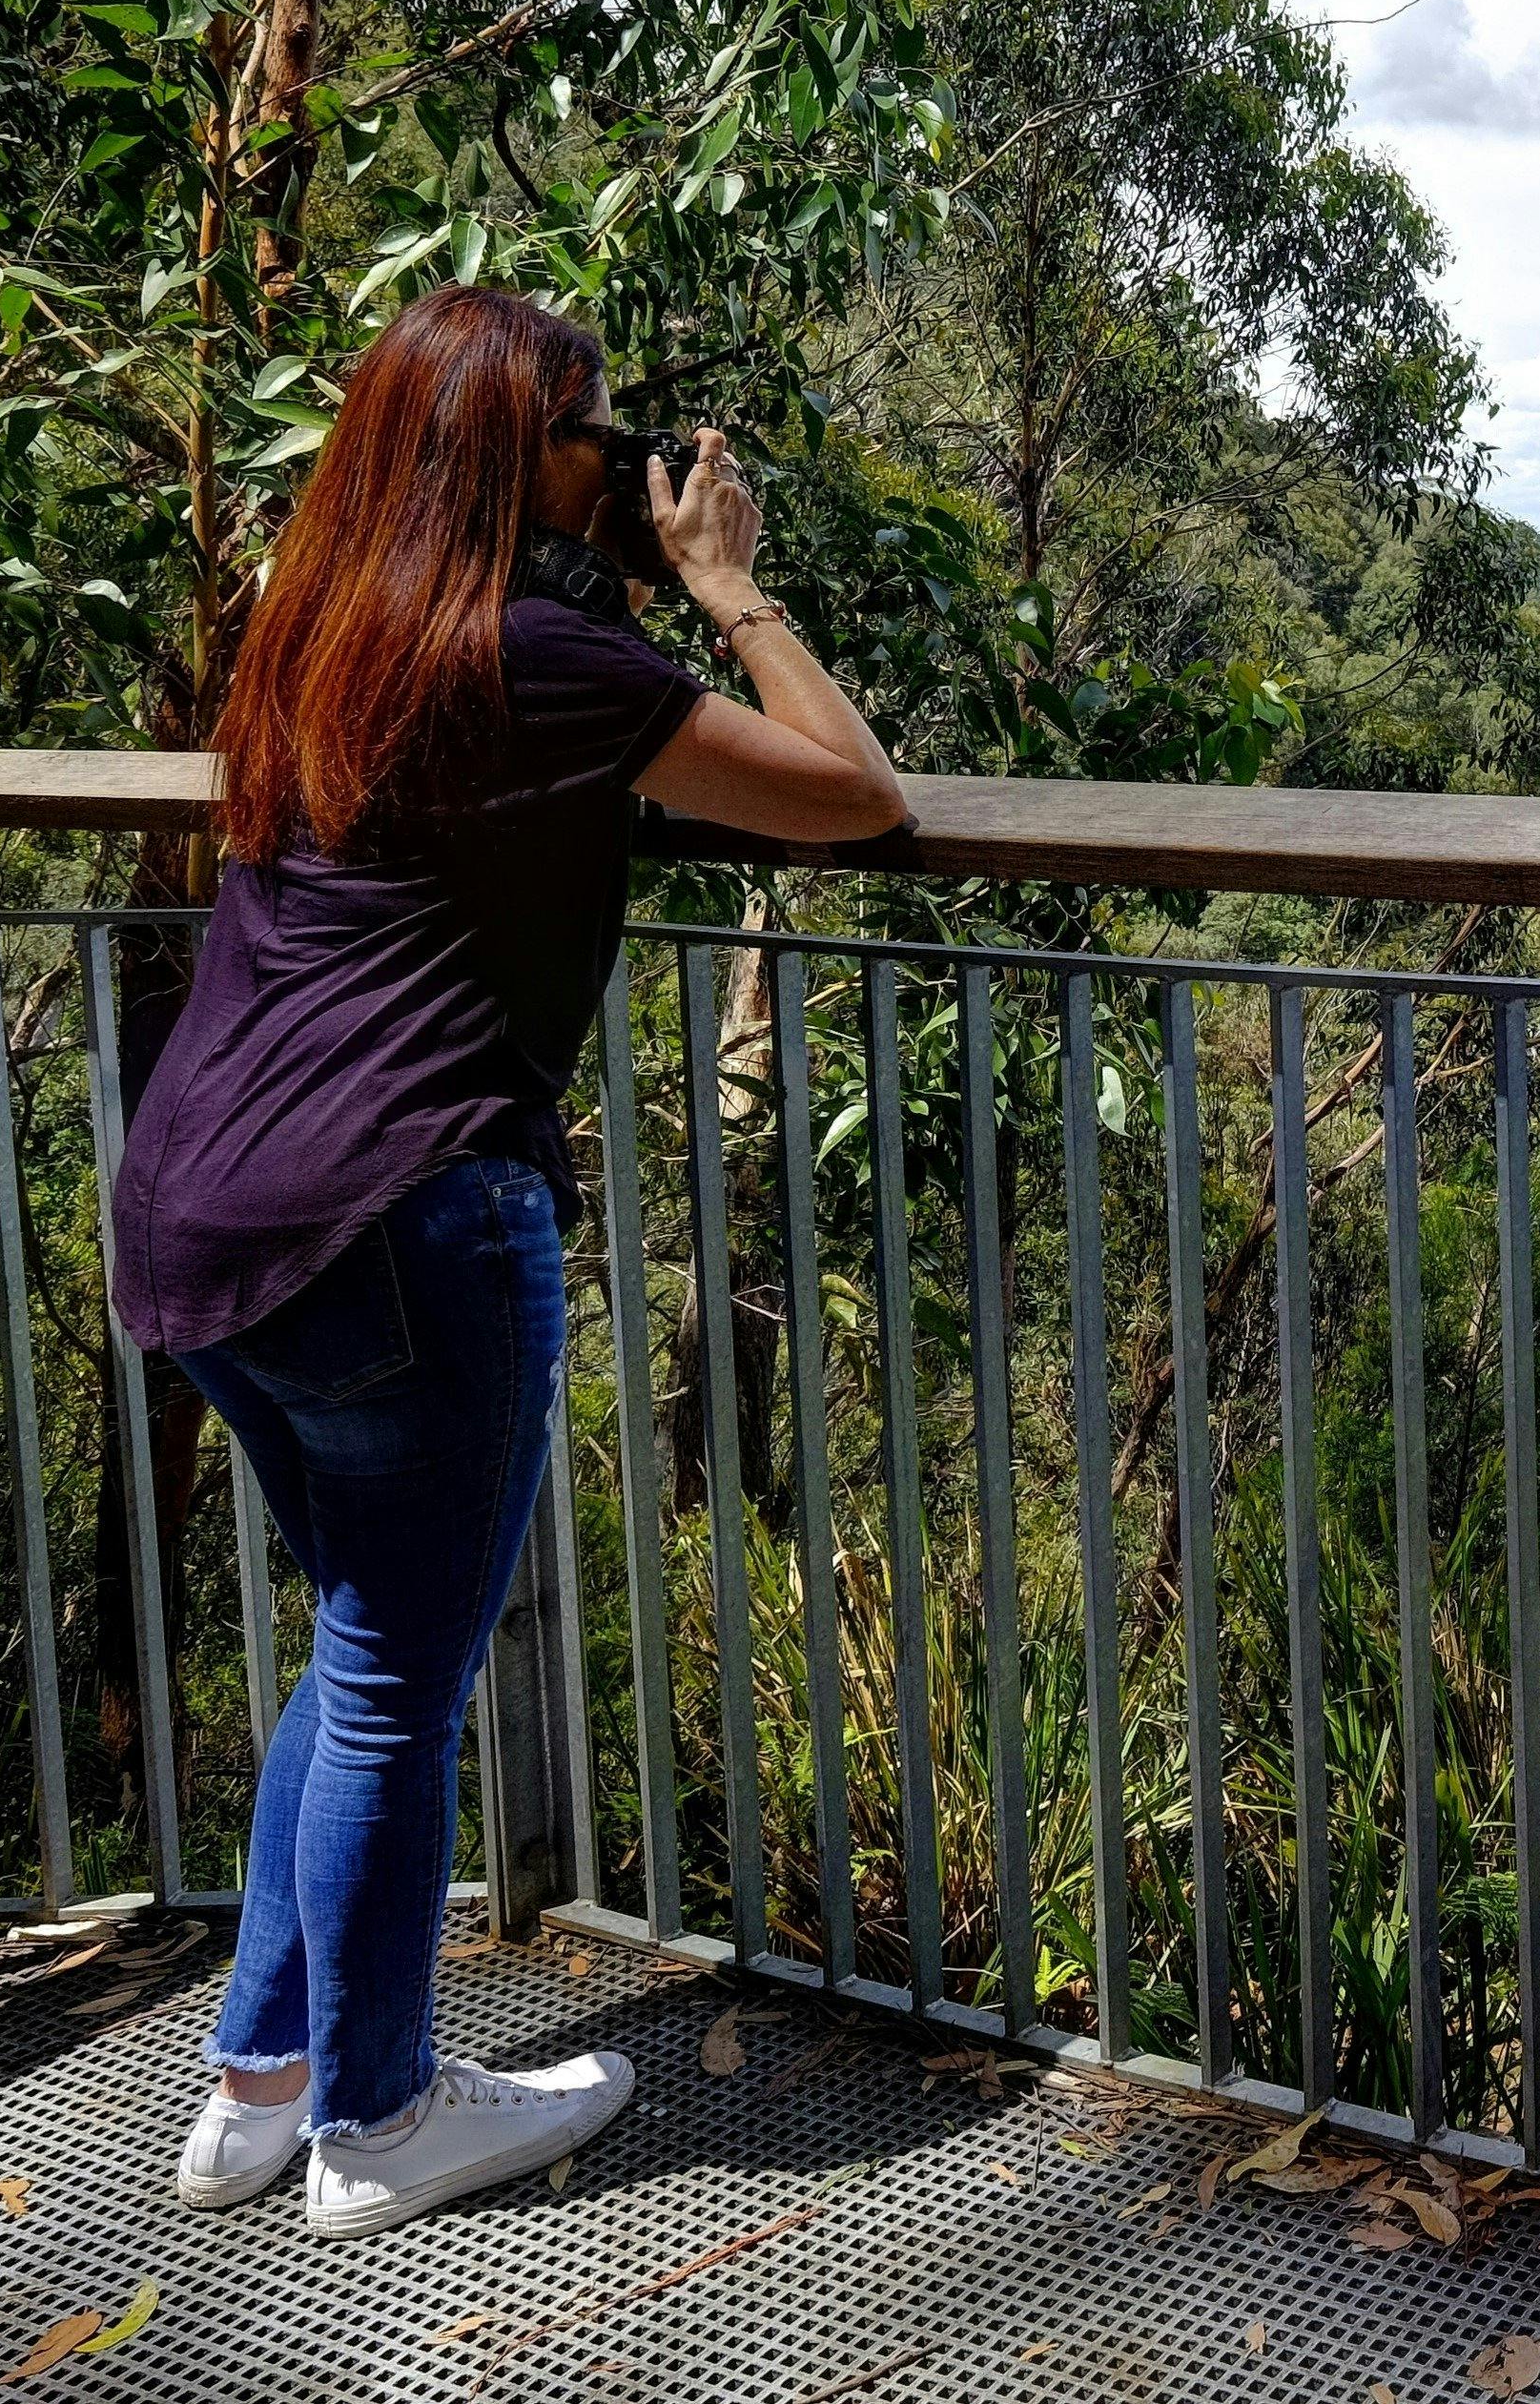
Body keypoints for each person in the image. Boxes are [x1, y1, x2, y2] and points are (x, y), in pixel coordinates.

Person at [108, 282, 907, 2238]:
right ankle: (377, 2126)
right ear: (507, 458)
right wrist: (724, 585)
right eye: (594, 431)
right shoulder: (531, 653)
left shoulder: (324, 630)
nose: (626, 457)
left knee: (360, 1640)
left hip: (201, 1198)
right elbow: (853, 798)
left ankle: (262, 2083)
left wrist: (613, 562)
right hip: (399, 1204)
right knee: (396, 1668)